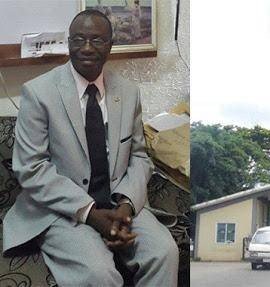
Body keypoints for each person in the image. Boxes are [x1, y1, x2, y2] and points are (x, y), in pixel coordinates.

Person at [2, 10, 178, 286]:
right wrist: (90, 213)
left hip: (119, 202)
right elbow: (31, 168)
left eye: (96, 40)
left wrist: (127, 206)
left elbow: (140, 157)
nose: (86, 48)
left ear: (110, 45)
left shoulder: (128, 92)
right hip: (60, 208)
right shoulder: (39, 93)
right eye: (78, 40)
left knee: (164, 252)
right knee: (98, 274)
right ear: (68, 42)